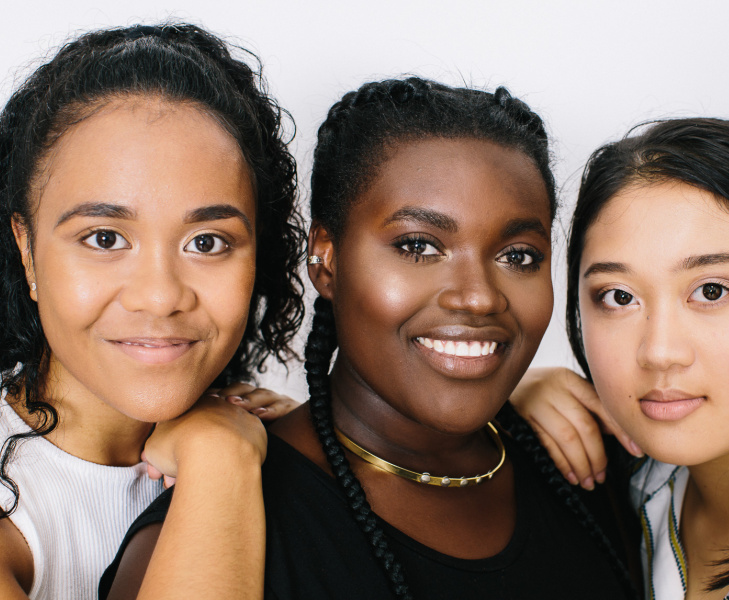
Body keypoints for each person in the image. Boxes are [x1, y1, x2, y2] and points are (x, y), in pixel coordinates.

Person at [103, 77, 640, 599]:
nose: (478, 298)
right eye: (418, 247)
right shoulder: (208, 531)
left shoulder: (585, 463)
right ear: (326, 259)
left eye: (517, 256)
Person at [0, 23, 305, 599]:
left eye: (207, 242)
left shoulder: (274, 441)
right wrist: (219, 458)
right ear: (27, 250)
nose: (161, 296)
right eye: (105, 238)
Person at [512, 118, 729, 599]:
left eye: (712, 291)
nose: (659, 352)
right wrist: (503, 393)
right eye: (618, 297)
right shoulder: (624, 487)